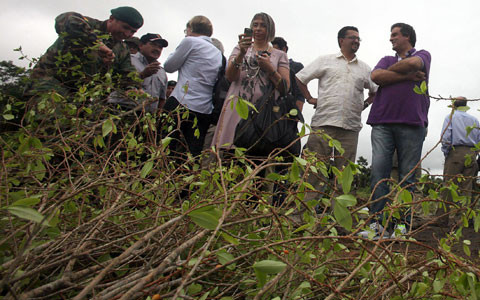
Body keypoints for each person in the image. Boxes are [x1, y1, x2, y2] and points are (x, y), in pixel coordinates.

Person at [359, 23, 432, 239]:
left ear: (407, 36)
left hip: (412, 123)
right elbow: (376, 77)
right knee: (378, 174)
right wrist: (408, 76)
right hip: (382, 122)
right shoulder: (386, 59)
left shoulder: (423, 54)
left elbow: (413, 63)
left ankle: (401, 228)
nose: (391, 39)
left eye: (394, 35)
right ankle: (377, 226)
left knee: (407, 178)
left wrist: (388, 74)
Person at [295, 26, 376, 202]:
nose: (356, 41)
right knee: (314, 172)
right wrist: (309, 98)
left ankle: (338, 222)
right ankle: (301, 218)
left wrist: (365, 104)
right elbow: (300, 78)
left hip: (350, 127)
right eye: (352, 37)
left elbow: (376, 91)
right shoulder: (325, 60)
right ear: (341, 40)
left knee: (344, 177)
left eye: (358, 39)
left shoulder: (364, 69)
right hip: (323, 123)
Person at [212, 12, 290, 154]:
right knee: (230, 154)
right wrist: (242, 53)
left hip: (263, 111)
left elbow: (285, 88)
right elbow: (229, 77)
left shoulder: (280, 55)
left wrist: (270, 68)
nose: (258, 29)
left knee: (257, 154)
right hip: (237, 105)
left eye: (263, 26)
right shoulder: (239, 48)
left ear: (270, 29)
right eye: (255, 25)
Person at [29, 6, 144, 97]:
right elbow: (65, 19)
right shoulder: (88, 25)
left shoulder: (122, 49)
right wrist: (96, 44)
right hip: (49, 83)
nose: (127, 34)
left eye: (132, 32)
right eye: (125, 27)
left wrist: (133, 88)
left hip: (79, 96)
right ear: (111, 19)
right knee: (51, 121)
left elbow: (127, 72)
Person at [163, 15, 222, 158]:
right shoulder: (219, 54)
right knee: (192, 155)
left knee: (164, 148)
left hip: (180, 102)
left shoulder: (190, 42)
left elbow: (169, 66)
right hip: (204, 110)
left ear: (190, 29)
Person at [437, 97, 480, 226]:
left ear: (453, 105)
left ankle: (442, 219)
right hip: (471, 154)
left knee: (449, 185)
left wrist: (447, 153)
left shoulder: (451, 117)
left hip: (455, 153)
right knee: (468, 186)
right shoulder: (475, 120)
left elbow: (446, 138)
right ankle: (465, 219)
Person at [131, 33, 169, 113]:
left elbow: (162, 99)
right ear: (141, 45)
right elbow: (117, 83)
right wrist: (142, 75)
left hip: (148, 118)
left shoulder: (161, 72)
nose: (157, 49)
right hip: (125, 112)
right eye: (154, 45)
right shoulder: (129, 61)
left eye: (160, 47)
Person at [271, 37, 306, 111]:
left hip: (287, 109)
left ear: (284, 49)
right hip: (267, 109)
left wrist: (296, 115)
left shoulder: (295, 67)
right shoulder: (266, 65)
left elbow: (300, 94)